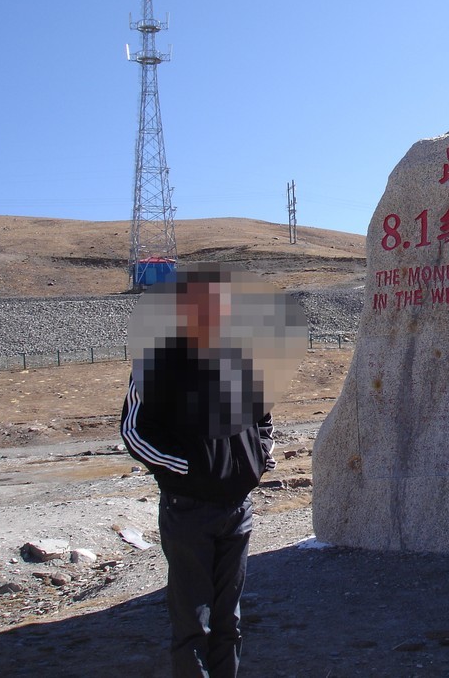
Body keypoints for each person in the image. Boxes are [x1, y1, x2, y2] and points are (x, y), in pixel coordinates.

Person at [121, 267, 276, 678]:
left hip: (238, 509)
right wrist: (182, 468)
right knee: (194, 623)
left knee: (230, 620)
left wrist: (258, 456)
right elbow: (134, 433)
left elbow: (263, 420)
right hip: (188, 510)